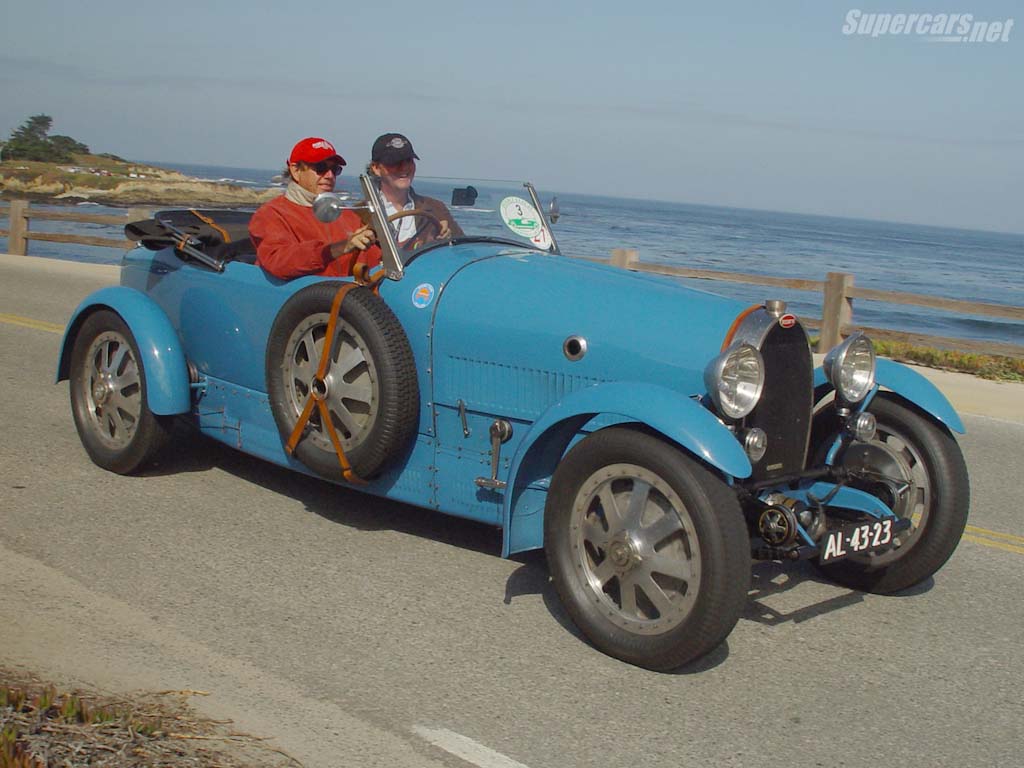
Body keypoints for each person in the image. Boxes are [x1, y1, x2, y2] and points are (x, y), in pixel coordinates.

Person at [250, 137, 381, 279]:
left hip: (346, 297)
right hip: (298, 298)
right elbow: (278, 262)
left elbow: (375, 260)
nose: (330, 175)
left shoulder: (347, 216)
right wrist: (339, 248)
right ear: (296, 171)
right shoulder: (271, 214)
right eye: (321, 168)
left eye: (335, 169)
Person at [369, 133, 463, 249]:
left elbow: (463, 252)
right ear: (376, 168)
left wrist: (448, 238)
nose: (404, 167)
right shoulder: (361, 214)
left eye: (408, 160)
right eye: (394, 162)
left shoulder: (436, 208)